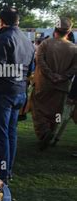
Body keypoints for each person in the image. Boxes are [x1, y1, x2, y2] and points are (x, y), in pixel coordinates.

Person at [0, 7, 35, 183]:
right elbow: (30, 70)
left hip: (4, 93)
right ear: (18, 21)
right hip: (20, 92)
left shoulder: (3, 38)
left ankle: (3, 174)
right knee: (11, 132)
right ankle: (8, 170)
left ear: (2, 22)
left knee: (2, 134)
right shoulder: (28, 41)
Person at [31, 17, 77, 150]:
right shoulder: (74, 48)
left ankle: (44, 132)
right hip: (62, 86)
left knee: (38, 109)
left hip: (43, 84)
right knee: (57, 112)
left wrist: (51, 75)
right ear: (68, 32)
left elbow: (40, 61)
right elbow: (75, 67)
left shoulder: (45, 43)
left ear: (54, 30)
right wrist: (63, 77)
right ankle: (52, 131)